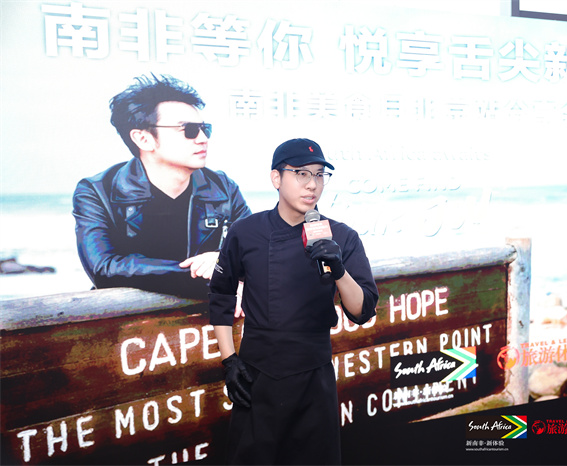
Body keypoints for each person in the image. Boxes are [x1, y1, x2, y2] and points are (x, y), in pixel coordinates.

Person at [209, 138, 378, 464]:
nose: (312, 184)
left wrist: (339, 270)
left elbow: (362, 310)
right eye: (301, 173)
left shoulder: (342, 236)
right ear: (276, 178)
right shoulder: (245, 232)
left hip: (314, 378)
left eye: (320, 175)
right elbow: (221, 293)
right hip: (257, 376)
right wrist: (230, 361)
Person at [72, 74, 251, 299]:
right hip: (131, 319)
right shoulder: (98, 192)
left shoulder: (222, 188)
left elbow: (258, 252)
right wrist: (215, 273)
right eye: (189, 130)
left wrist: (225, 263)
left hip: (208, 318)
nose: (203, 138)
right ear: (143, 139)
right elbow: (104, 268)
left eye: (205, 129)